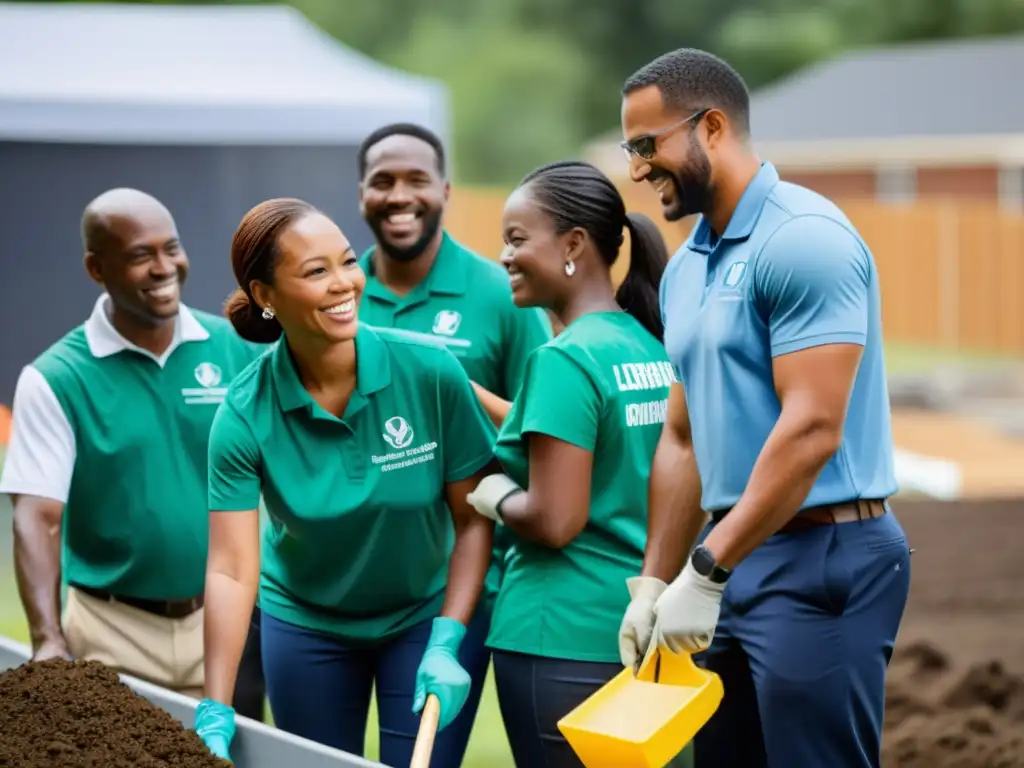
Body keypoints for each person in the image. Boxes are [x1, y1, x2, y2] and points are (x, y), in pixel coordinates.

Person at [616, 48, 910, 768]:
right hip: (731, 560)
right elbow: (683, 438)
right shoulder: (686, 268)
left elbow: (812, 429)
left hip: (823, 558)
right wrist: (657, 579)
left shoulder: (804, 239)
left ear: (710, 126)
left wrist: (707, 569)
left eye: (646, 146)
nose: (636, 168)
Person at [195, 197, 497, 768]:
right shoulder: (242, 414)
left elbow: (473, 518)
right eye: (316, 271)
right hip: (307, 625)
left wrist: (448, 637)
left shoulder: (431, 372)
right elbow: (231, 570)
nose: (345, 284)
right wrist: (216, 703)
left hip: (426, 615)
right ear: (265, 296)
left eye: (346, 262)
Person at [0, 188, 266, 713]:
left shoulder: (238, 348)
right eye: (141, 255)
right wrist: (47, 640)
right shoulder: (56, 378)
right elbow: (37, 517)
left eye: (172, 248)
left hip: (226, 619)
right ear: (96, 268)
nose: (164, 267)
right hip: (110, 633)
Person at [463, 161, 693, 768]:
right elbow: (597, 445)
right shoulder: (648, 346)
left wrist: (490, 494)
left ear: (572, 245)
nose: (504, 255)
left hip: (556, 636)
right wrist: (474, 397)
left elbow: (555, 518)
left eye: (516, 239)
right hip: (640, 634)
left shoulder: (562, 360)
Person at [355, 121, 553, 720]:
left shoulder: (498, 293)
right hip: (340, 582)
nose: (399, 196)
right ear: (361, 192)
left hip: (458, 589)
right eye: (381, 181)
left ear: (446, 191)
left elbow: (543, 427)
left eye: (417, 180)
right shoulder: (336, 290)